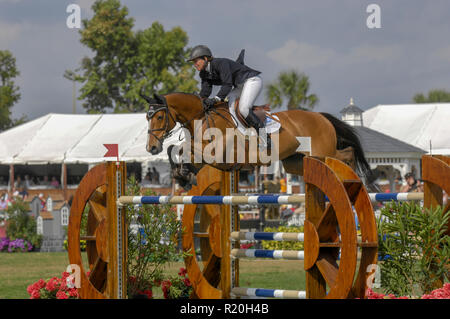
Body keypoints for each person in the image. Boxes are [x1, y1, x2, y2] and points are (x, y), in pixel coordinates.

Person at [187, 45, 270, 147]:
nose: (195, 64)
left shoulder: (221, 63)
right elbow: (205, 92)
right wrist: (197, 101)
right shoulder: (203, 74)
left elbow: (227, 85)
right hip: (240, 85)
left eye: (196, 61)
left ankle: (265, 137)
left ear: (205, 58)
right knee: (229, 105)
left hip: (252, 80)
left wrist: (215, 99)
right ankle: (243, 133)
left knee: (243, 108)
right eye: (193, 62)